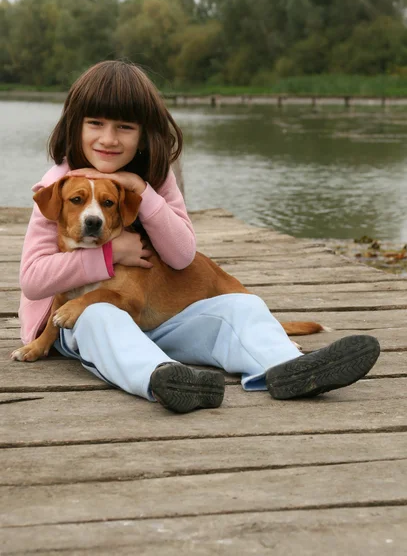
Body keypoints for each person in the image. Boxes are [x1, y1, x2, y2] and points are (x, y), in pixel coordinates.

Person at [16, 60, 381, 414]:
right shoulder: (56, 188)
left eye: (125, 127)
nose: (109, 138)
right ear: (74, 126)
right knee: (100, 315)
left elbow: (181, 256)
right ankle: (163, 378)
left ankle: (289, 366)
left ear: (144, 133)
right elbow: (33, 281)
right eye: (95, 123)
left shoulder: (156, 179)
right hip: (75, 323)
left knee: (243, 306)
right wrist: (109, 255)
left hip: (160, 321)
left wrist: (144, 192)